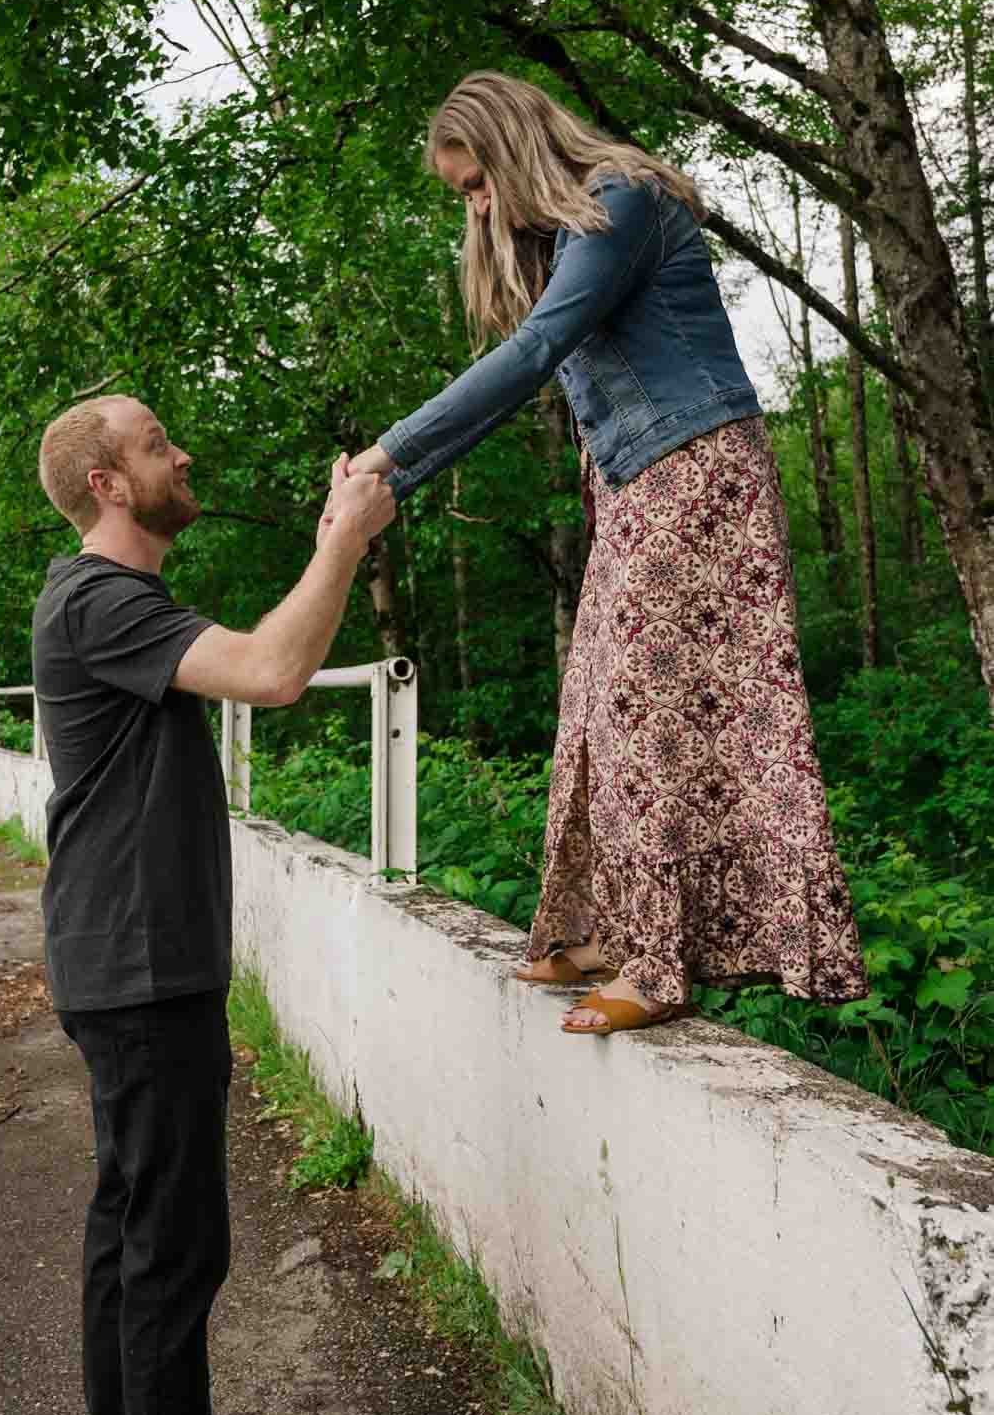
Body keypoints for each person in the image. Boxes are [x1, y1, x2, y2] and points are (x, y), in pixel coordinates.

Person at [336, 71, 866, 1033]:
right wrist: (393, 484)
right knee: (594, 711)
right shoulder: (571, 234)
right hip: (636, 487)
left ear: (511, 145)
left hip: (697, 472)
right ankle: (604, 929)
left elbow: (535, 353)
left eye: (475, 183)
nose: (478, 206)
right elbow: (530, 366)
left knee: (645, 716)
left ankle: (659, 965)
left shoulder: (621, 200)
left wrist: (388, 453)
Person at [33, 393, 394, 1415]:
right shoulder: (97, 598)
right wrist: (342, 536)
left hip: (127, 966)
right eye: (153, 443)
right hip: (137, 973)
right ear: (108, 484)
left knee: (130, 1246)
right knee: (169, 1260)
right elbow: (275, 671)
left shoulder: (107, 605)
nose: (180, 451)